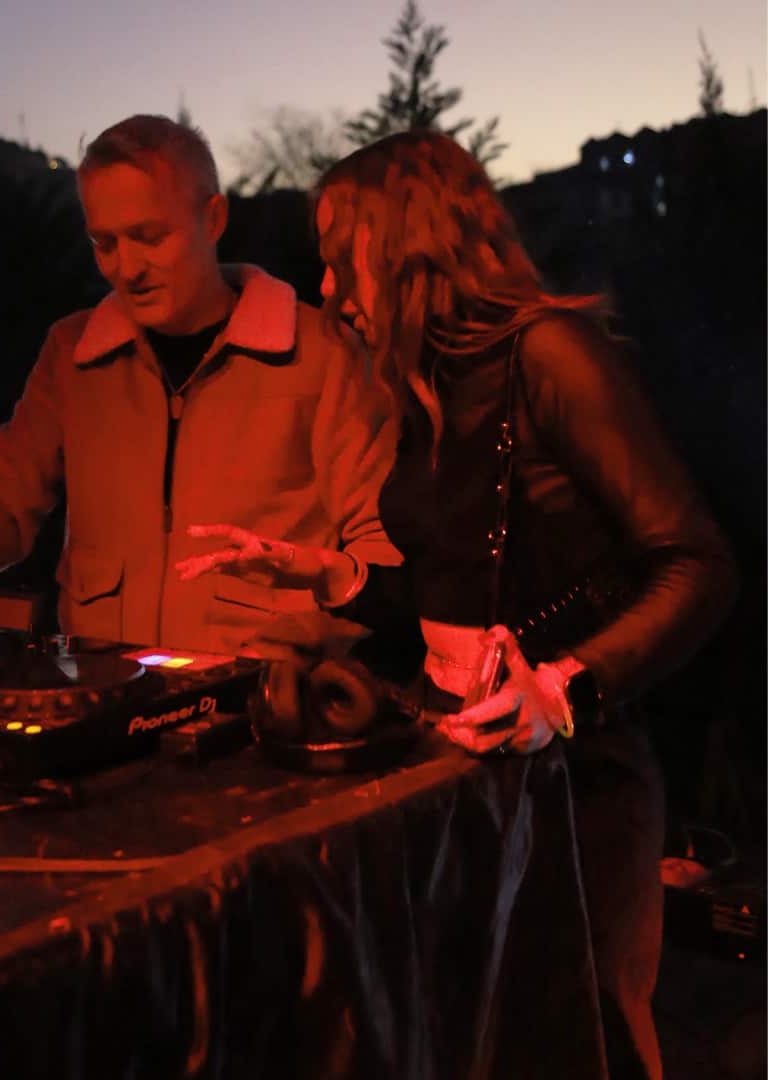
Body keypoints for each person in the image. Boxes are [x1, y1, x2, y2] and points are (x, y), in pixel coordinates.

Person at [177, 131, 738, 1079]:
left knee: (578, 1041)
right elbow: (464, 591)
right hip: (455, 762)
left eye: (339, 254)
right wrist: (333, 576)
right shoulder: (424, 381)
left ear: (408, 245)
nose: (326, 286)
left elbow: (698, 563)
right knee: (461, 1037)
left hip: (577, 779)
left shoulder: (552, 354)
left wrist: (563, 687)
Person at [0, 115, 400, 665]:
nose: (127, 268)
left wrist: (301, 646)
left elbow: (381, 548)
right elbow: (3, 488)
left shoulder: (324, 355)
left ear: (214, 218)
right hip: (101, 691)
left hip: (258, 701)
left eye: (149, 237)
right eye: (104, 243)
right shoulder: (72, 354)